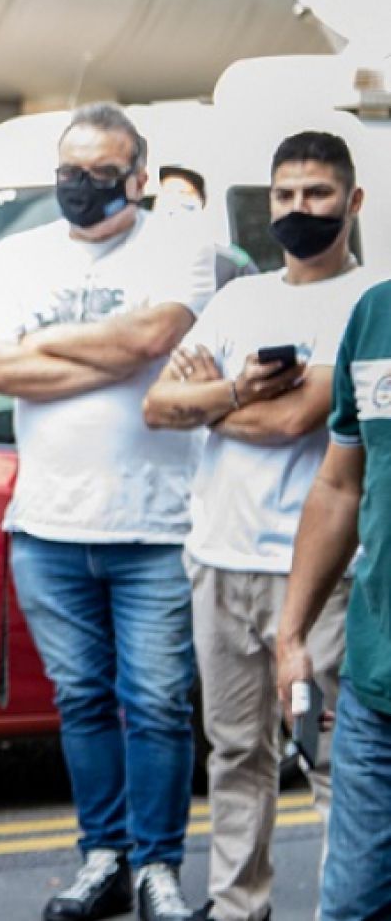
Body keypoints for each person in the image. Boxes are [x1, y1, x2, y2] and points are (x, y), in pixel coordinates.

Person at [0, 102, 215, 921]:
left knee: (157, 703)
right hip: (46, 524)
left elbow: (151, 340)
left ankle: (158, 868)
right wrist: (108, 349)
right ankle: (101, 857)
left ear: (137, 178)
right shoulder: (20, 251)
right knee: (80, 702)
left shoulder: (180, 246)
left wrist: (47, 344)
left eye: (100, 175)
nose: (79, 187)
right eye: (68, 172)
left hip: (156, 524)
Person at [142, 132, 371, 921]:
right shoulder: (239, 299)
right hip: (218, 560)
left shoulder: (367, 304)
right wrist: (238, 395)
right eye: (283, 196)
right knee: (237, 751)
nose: (298, 211)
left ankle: (349, 906)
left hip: (317, 576)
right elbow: (156, 408)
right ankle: (240, 905)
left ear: (353, 202)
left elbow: (299, 421)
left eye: (315, 195)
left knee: (333, 758)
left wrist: (216, 399)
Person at [275, 147, 391, 921]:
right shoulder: (375, 315)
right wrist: (293, 632)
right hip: (377, 690)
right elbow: (340, 483)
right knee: (349, 906)